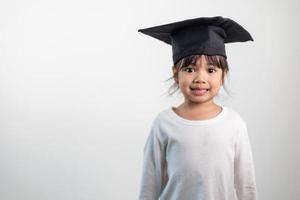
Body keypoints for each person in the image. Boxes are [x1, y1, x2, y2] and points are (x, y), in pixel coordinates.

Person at [137, 16, 258, 200]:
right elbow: (149, 184)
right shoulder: (164, 124)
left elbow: (246, 183)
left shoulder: (234, 124)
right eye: (190, 69)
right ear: (176, 74)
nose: (200, 78)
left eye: (211, 70)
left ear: (223, 75)